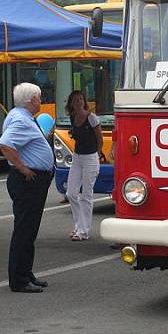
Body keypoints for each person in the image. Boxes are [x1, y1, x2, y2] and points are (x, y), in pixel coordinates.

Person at [0, 82, 55, 293]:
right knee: (25, 230)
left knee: (29, 230)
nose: (40, 101)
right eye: (39, 97)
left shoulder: (19, 116)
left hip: (31, 180)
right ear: (32, 100)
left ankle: (26, 273)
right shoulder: (21, 120)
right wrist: (23, 168)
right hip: (28, 181)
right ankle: (20, 279)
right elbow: (5, 144)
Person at [65, 90, 104, 241]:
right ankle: (78, 225)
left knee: (86, 195)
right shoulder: (73, 117)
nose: (79, 102)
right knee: (71, 193)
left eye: (81, 99)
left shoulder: (92, 118)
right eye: (76, 99)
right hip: (77, 157)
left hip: (90, 158)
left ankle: (83, 231)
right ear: (72, 104)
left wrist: (98, 154)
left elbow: (99, 138)